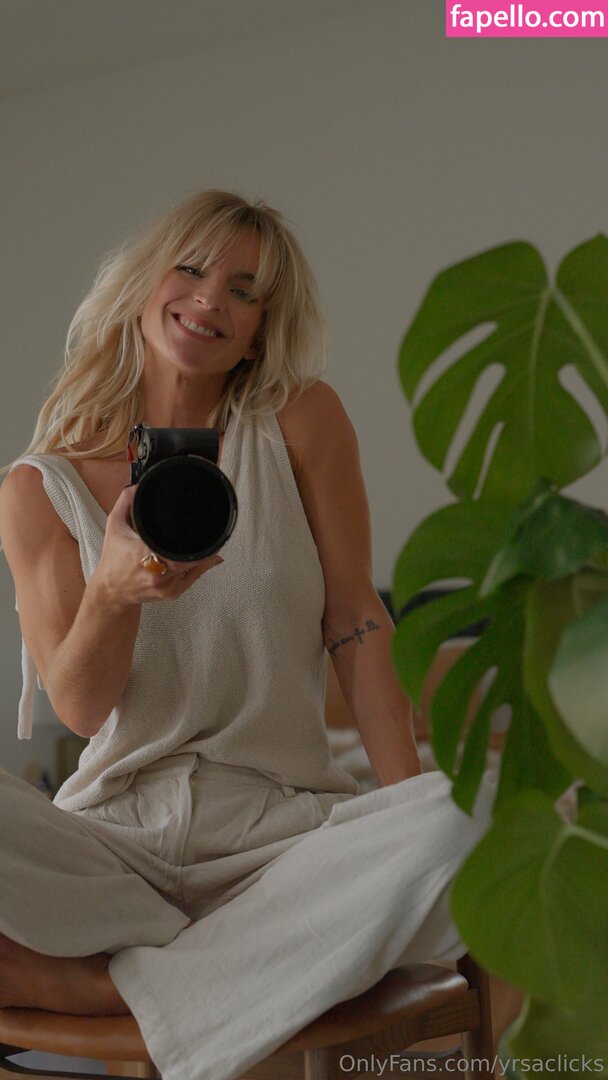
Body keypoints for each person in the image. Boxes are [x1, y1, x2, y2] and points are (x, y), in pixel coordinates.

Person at [0, 189, 493, 1080]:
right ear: (143, 285)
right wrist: (113, 593)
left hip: (283, 846)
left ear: (262, 330)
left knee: (474, 812)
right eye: (190, 269)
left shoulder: (301, 423)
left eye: (244, 290)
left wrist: (407, 816)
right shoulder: (39, 488)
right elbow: (79, 709)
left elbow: (356, 621)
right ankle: (218, 974)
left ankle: (117, 987)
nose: (210, 299)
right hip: (112, 849)